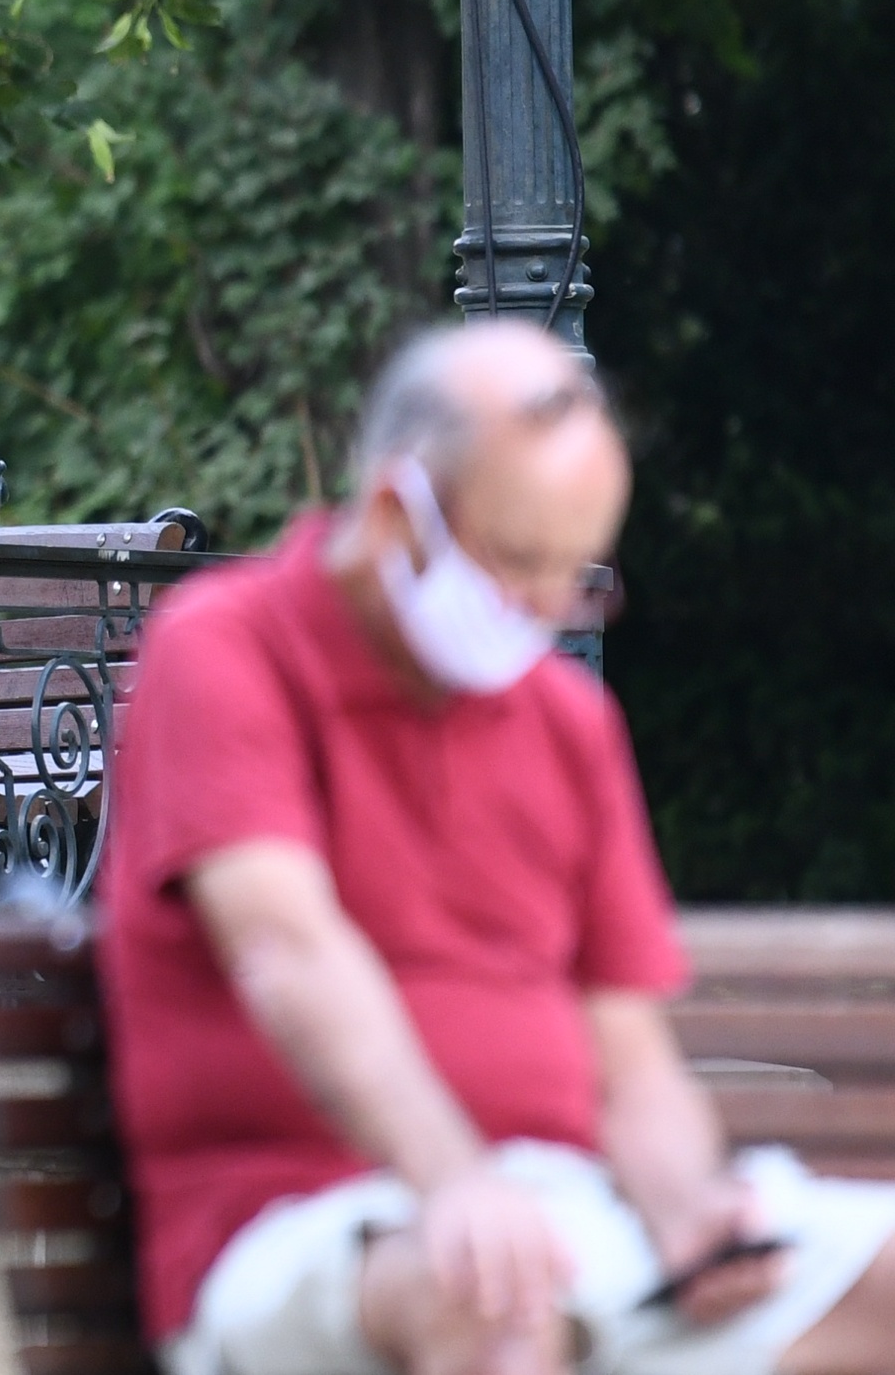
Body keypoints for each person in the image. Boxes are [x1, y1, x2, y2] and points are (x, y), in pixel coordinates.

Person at [98, 320, 895, 1375]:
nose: (544, 609)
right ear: (395, 513)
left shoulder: (564, 722)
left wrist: (691, 1213)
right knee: (489, 1291)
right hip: (308, 1222)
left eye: (576, 573)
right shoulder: (226, 647)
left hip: (568, 1216)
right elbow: (287, 950)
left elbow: (630, 1058)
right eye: (519, 560)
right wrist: (454, 1177)